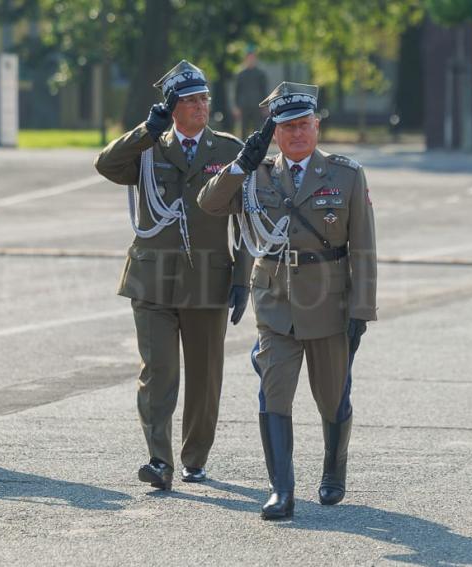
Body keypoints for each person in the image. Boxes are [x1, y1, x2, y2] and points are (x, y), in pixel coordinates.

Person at [198, 82, 377, 519]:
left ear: (316, 127)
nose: (297, 134)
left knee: (331, 397)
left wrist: (362, 309)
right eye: (287, 128)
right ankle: (282, 489)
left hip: (328, 302)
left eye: (304, 125)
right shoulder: (255, 173)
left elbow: (364, 247)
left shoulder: (345, 174)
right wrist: (242, 162)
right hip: (275, 300)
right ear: (274, 134)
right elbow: (209, 202)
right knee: (274, 394)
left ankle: (333, 470)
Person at [94, 60, 251, 489]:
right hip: (153, 280)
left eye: (204, 98)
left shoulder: (228, 150)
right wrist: (146, 130)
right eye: (191, 100)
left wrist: (242, 279)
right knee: (159, 372)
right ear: (172, 106)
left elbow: (247, 221)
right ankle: (159, 461)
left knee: (204, 377)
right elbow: (106, 165)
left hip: (208, 279)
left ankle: (194, 458)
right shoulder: (148, 146)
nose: (201, 106)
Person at [233, 47, 269, 140]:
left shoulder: (260, 74)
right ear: (246, 59)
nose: (251, 60)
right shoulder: (241, 74)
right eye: (249, 58)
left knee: (257, 128)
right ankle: (243, 148)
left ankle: (256, 147)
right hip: (244, 105)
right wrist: (236, 107)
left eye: (252, 58)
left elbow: (264, 90)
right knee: (243, 128)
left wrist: (265, 106)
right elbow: (237, 91)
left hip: (257, 105)